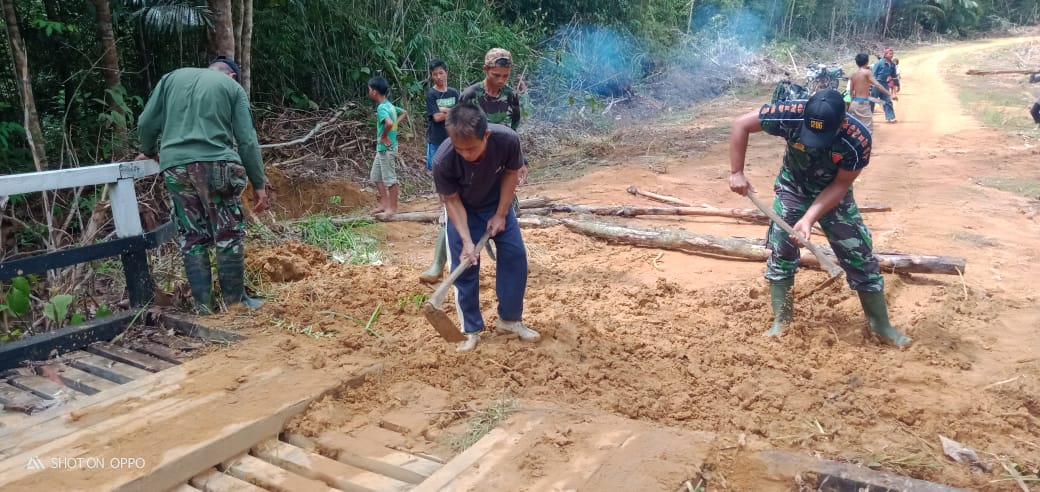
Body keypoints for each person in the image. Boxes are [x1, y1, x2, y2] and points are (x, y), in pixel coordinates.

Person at [727, 89, 912, 348]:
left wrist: (810, 218)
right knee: (782, 250)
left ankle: (880, 325)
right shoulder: (789, 114)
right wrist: (736, 172)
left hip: (832, 193)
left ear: (843, 121)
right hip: (793, 188)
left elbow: (840, 185)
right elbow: (741, 124)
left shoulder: (857, 140)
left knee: (858, 253)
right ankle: (782, 322)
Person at [137, 56, 270, 314]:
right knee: (227, 233)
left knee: (191, 236)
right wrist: (259, 182)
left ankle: (204, 307)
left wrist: (148, 150)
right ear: (231, 75)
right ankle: (235, 304)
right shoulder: (232, 88)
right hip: (216, 167)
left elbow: (146, 122)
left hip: (175, 167)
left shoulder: (171, 78)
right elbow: (247, 141)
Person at [432, 104, 540, 352]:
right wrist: (468, 242)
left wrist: (501, 214)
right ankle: (470, 330)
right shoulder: (443, 160)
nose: (465, 155)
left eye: (471, 148)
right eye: (460, 149)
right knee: (466, 268)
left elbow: (512, 173)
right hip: (464, 212)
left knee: (515, 256)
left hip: (497, 203)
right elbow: (451, 200)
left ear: (486, 136)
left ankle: (510, 321)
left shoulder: (506, 140)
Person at [459, 48, 530, 185]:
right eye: (496, 75)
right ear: (486, 69)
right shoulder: (470, 95)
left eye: (505, 76)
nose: (501, 80)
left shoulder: (510, 96)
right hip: (475, 163)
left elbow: (513, 133)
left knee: (506, 203)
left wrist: (520, 161)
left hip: (502, 163)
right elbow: (458, 134)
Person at [419, 60, 460, 283]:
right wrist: (449, 112)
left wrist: (447, 111)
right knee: (439, 173)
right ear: (432, 76)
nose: (438, 77)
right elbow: (436, 117)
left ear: (446, 73)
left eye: (441, 73)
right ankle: (443, 205)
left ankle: (447, 207)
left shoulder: (454, 92)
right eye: (434, 74)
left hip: (455, 139)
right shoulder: (430, 94)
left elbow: (461, 113)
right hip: (437, 140)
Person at [367, 76, 408, 217]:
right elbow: (404, 112)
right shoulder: (390, 105)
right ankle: (385, 204)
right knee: (376, 176)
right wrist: (394, 126)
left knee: (389, 179)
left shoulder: (382, 108)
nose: (369, 91)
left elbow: (389, 123)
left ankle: (393, 208)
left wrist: (384, 136)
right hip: (382, 150)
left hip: (387, 149)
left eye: (369, 89)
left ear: (374, 92)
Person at [849, 53, 897, 134]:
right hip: (863, 103)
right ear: (867, 62)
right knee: (868, 129)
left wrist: (851, 103)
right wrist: (889, 94)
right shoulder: (867, 72)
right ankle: (865, 146)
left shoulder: (853, 75)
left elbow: (851, 91)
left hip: (854, 103)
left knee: (856, 128)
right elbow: (877, 85)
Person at [871, 48, 898, 123]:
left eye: (892, 54)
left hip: (885, 84)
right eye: (890, 54)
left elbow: (894, 77)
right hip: (876, 84)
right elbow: (873, 75)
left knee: (888, 101)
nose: (891, 55)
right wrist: (872, 85)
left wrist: (896, 86)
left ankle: (890, 117)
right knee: (872, 101)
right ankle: (868, 118)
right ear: (885, 55)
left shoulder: (892, 65)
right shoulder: (879, 63)